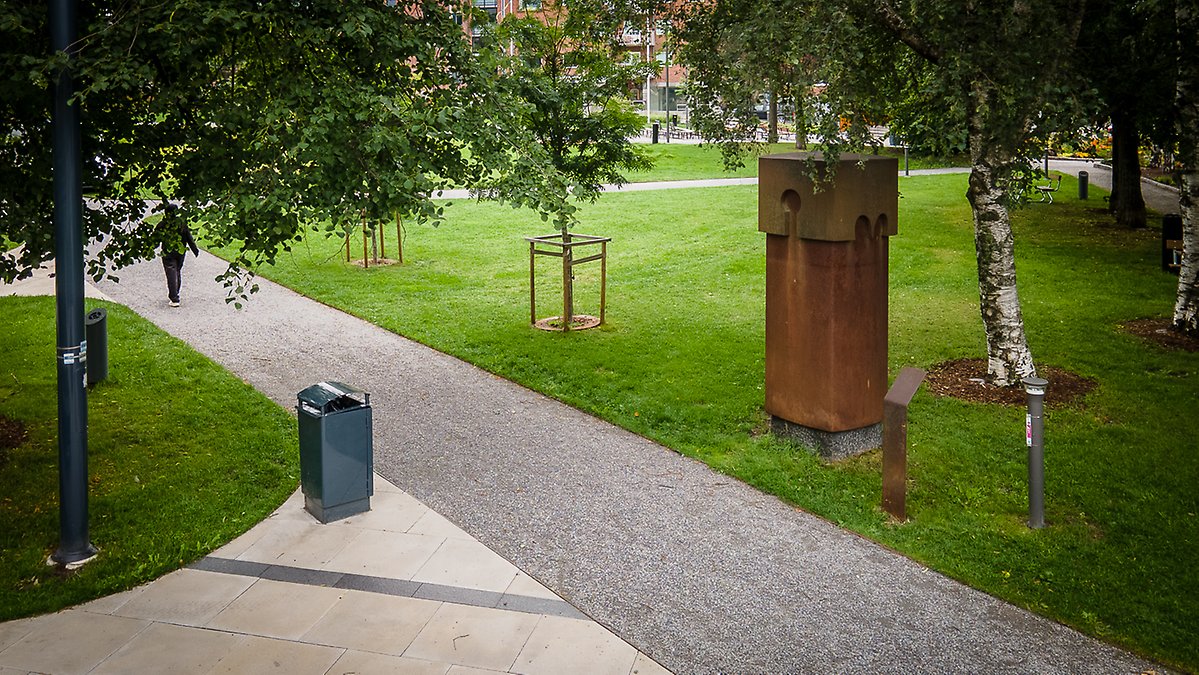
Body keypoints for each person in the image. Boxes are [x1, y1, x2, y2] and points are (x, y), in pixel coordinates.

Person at [161, 218, 200, 307]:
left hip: (168, 252)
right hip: (180, 252)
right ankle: (175, 293)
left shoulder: (163, 224)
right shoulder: (181, 224)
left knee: (171, 271)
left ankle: (174, 297)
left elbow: (155, 238)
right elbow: (189, 238)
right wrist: (195, 250)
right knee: (177, 271)